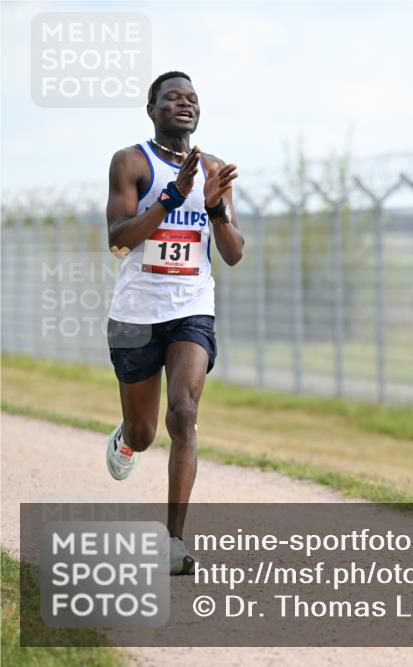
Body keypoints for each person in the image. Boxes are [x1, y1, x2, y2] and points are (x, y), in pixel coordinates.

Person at [104, 71, 243, 574]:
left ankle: (173, 542)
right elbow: (119, 242)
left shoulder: (213, 168)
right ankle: (126, 437)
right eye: (172, 97)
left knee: (183, 413)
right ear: (152, 110)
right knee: (144, 432)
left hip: (191, 308)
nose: (185, 104)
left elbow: (233, 254)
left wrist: (215, 210)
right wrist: (170, 197)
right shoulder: (131, 162)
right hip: (136, 314)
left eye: (192, 98)